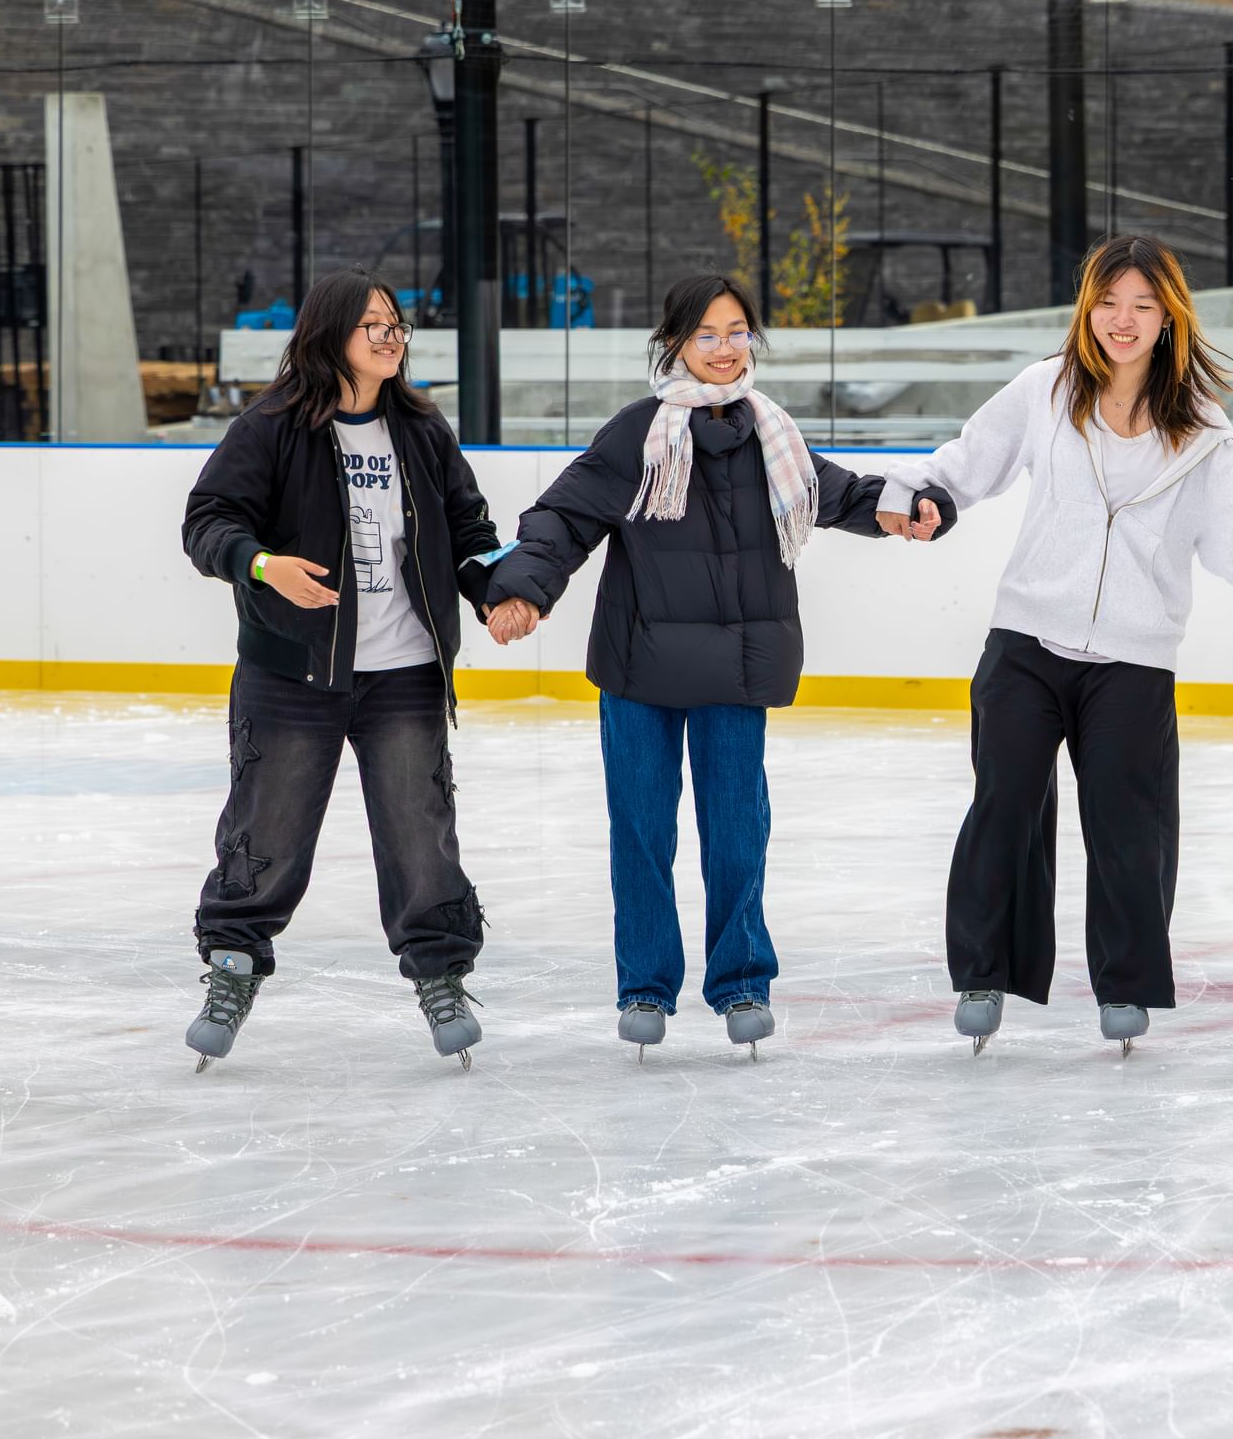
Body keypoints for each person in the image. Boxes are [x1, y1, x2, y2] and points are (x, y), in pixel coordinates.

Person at [872, 233, 1233, 1054]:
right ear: (1088, 308)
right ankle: (984, 971)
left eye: (1142, 306)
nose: (1123, 321)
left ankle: (1125, 984)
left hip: (1133, 659)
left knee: (1131, 824)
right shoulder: (1044, 390)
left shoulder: (1199, 430)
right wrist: (925, 495)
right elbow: (965, 461)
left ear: (1169, 319)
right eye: (1108, 302)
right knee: (1004, 805)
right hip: (1026, 638)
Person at [479, 275, 949, 1059]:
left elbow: (835, 492)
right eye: (707, 334)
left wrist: (900, 510)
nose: (727, 348)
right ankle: (645, 984)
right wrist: (521, 589)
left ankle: (740, 982)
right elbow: (561, 518)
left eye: (738, 331)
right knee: (641, 827)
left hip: (735, 665)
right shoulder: (637, 434)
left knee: (737, 829)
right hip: (639, 668)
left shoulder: (773, 433)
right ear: (674, 344)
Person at [179, 267, 505, 1071]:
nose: (391, 337)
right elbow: (207, 521)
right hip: (294, 676)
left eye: (397, 324)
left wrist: (501, 591)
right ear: (330, 335)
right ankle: (232, 965)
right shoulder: (273, 426)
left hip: (406, 674)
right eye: (374, 326)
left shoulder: (423, 431)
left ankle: (440, 973)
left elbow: (470, 530)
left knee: (420, 833)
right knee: (268, 830)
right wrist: (261, 566)